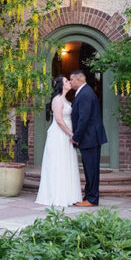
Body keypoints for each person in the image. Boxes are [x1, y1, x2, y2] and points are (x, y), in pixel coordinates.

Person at [34, 76, 83, 207]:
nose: (69, 82)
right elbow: (59, 120)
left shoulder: (66, 100)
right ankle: (56, 195)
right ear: (61, 85)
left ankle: (68, 195)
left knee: (66, 162)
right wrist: (72, 134)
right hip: (59, 135)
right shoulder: (57, 100)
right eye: (67, 81)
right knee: (58, 163)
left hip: (66, 135)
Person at [69, 69, 107, 206]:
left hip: (90, 138)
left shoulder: (85, 94)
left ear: (79, 79)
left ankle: (91, 199)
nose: (70, 82)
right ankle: (89, 196)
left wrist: (76, 136)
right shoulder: (84, 92)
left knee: (91, 169)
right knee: (89, 169)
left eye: (71, 79)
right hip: (90, 138)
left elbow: (83, 119)